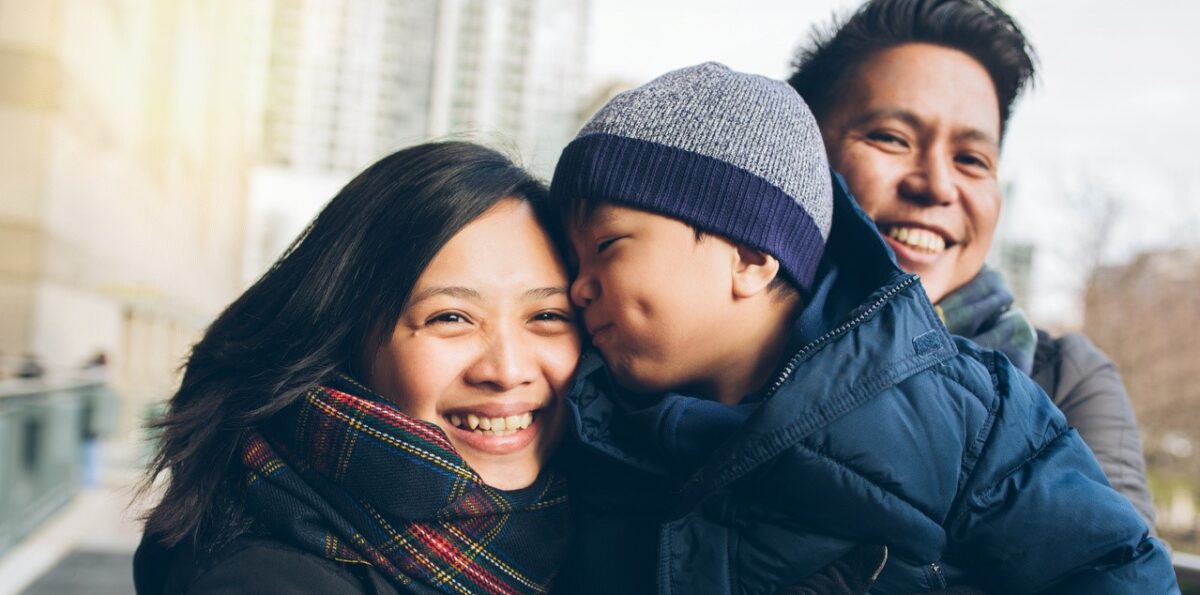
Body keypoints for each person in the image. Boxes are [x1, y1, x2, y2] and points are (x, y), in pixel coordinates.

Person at [549, 62, 1176, 593]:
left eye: (607, 245)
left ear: (750, 258)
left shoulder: (962, 411)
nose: (579, 287)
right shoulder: (589, 421)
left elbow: (1110, 564)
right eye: (571, 261)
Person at [133, 142, 581, 594]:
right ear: (344, 336)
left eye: (547, 316)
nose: (507, 371)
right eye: (449, 318)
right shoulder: (266, 581)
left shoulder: (579, 526)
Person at [787, 0, 1156, 529]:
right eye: (892, 138)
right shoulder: (702, 352)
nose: (936, 184)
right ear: (800, 156)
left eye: (971, 159)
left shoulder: (1064, 382)